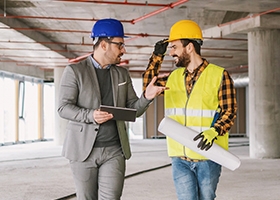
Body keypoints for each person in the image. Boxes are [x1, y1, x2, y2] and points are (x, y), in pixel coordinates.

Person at [57, 18, 166, 200]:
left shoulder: (121, 73)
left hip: (114, 150)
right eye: (120, 45)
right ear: (104, 44)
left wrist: (146, 97)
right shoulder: (75, 71)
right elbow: (63, 108)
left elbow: (133, 110)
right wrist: (90, 115)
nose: (123, 50)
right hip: (83, 151)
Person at [143, 19, 237, 200]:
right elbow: (148, 86)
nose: (171, 52)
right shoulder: (173, 77)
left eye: (174, 47)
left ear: (189, 47)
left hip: (208, 156)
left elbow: (229, 111)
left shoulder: (219, 75)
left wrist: (214, 131)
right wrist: (156, 56)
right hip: (180, 158)